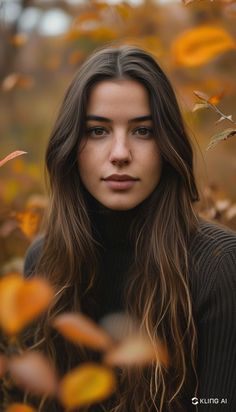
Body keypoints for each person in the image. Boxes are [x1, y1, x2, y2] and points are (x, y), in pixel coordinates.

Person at [23, 44, 236, 412]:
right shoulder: (44, 261)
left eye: (142, 131)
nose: (120, 153)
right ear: (70, 146)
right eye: (97, 131)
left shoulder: (219, 263)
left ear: (168, 144)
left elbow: (218, 401)